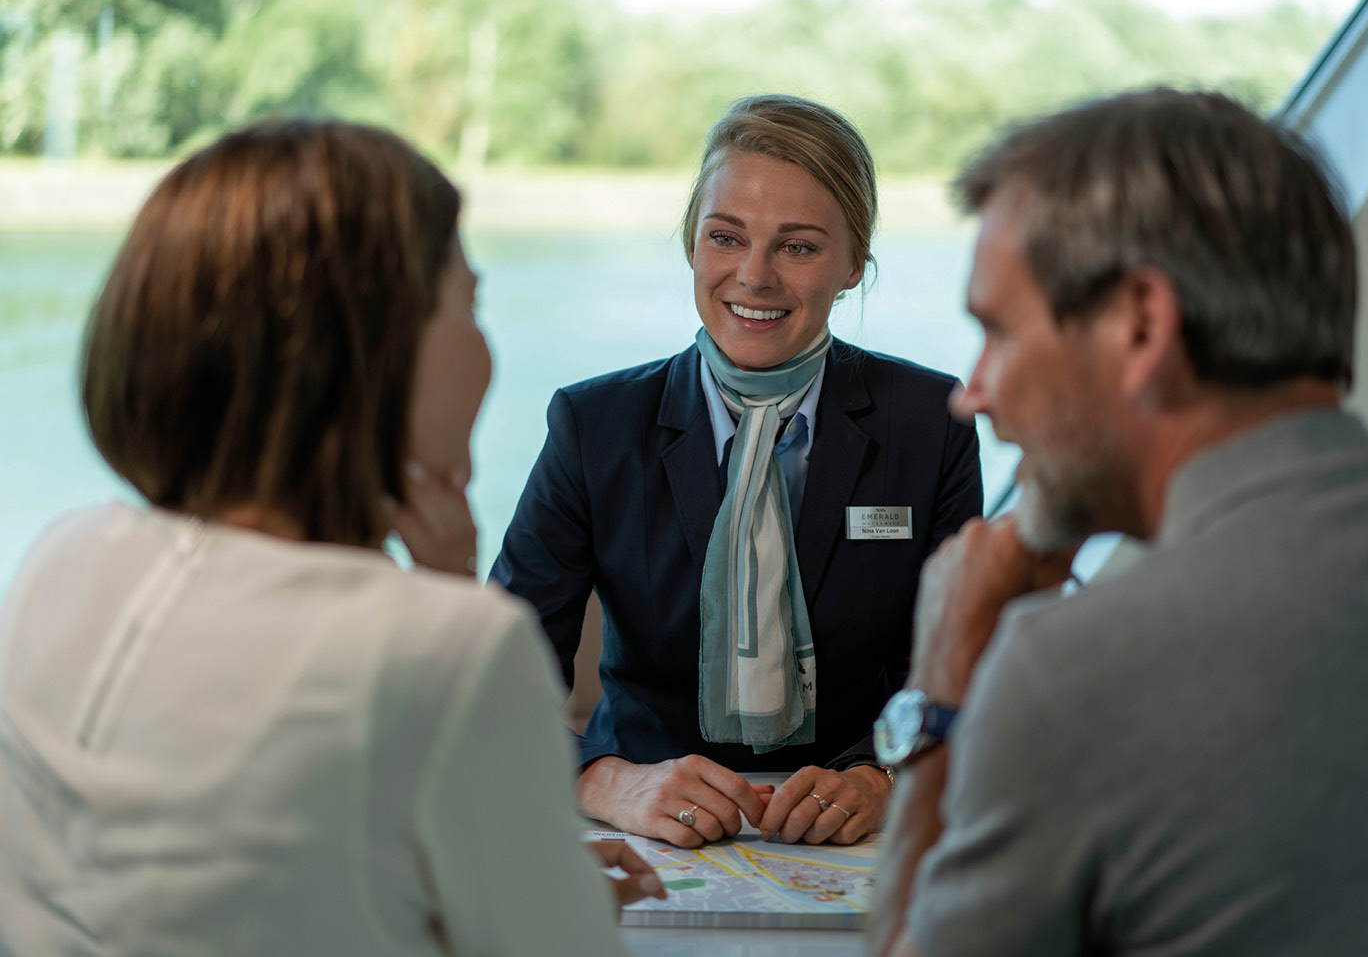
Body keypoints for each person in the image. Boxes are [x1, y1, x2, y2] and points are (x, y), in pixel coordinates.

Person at [0, 118, 661, 957]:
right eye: (468, 304)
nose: (484, 347)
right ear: (373, 350)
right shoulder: (448, 649)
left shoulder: (64, 561)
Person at [867, 88, 1368, 957]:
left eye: (997, 332)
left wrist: (937, 697)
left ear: (1141, 325)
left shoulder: (1068, 671)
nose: (972, 394)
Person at [491, 94, 983, 848]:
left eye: (798, 247)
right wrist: (605, 780)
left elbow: (962, 671)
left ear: (853, 262)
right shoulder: (594, 426)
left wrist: (889, 777)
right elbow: (495, 688)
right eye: (726, 237)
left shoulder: (930, 421)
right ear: (693, 241)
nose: (753, 276)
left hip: (855, 833)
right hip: (645, 824)